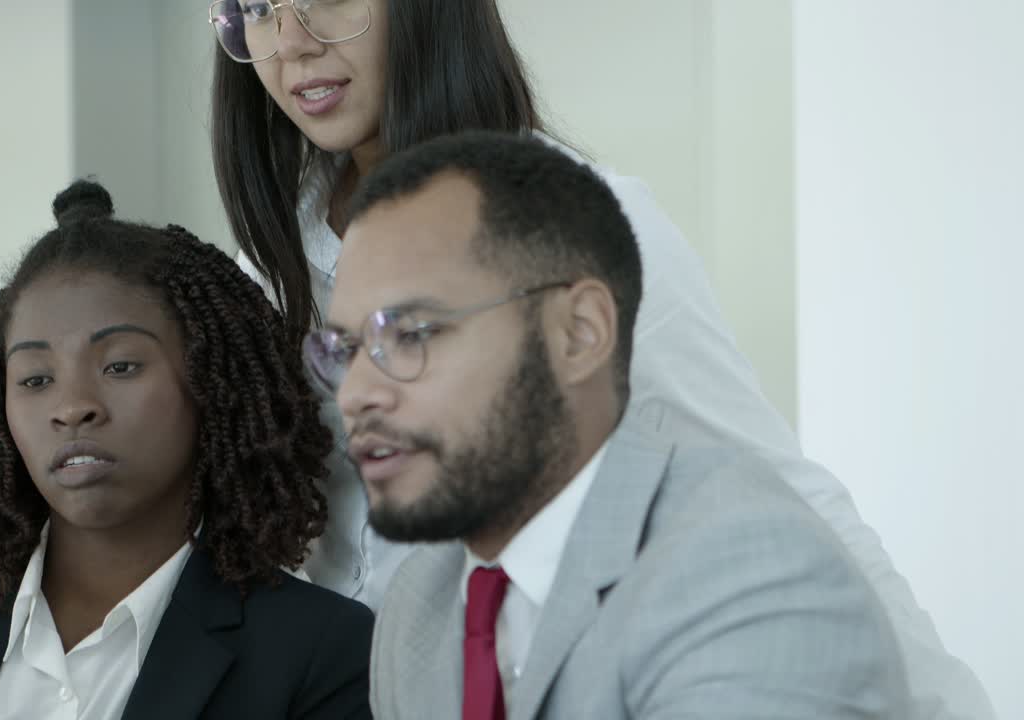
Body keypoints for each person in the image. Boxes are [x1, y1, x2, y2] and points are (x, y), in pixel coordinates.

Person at [205, 2, 993, 716]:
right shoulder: (268, 263)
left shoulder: (584, 231)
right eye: (257, 7)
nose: (291, 42)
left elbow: (780, 494)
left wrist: (945, 708)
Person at [313, 130, 907, 718]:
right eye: (346, 349)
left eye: (413, 333)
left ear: (579, 333)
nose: (356, 394)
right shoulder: (419, 606)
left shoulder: (751, 572)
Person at [0, 180, 373, 720]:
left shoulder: (320, 651)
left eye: (120, 366)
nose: (73, 407)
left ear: (211, 383)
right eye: (36, 379)